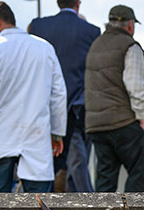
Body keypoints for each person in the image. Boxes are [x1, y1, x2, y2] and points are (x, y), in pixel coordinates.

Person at [0, 1, 66, 193]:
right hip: (36, 135)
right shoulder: (44, 47)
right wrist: (57, 132)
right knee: (39, 209)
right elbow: (58, 94)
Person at [29, 0, 100, 193]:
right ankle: (89, 204)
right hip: (76, 105)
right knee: (77, 161)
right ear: (78, 4)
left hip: (41, 104)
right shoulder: (91, 31)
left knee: (44, 162)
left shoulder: (38, 26)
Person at [84, 4, 144, 192]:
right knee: (138, 177)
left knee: (105, 181)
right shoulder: (130, 46)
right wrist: (142, 117)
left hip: (97, 125)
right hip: (123, 121)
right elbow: (135, 86)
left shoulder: (95, 45)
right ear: (130, 25)